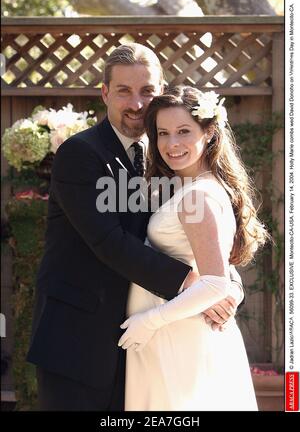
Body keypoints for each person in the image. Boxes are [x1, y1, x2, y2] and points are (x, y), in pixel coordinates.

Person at [27, 44, 244, 411]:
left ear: (160, 92)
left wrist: (227, 283)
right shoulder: (81, 154)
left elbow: (190, 237)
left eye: (147, 91)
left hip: (145, 338)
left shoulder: (166, 156)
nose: (137, 103)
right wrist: (200, 285)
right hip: (79, 337)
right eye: (124, 91)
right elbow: (108, 241)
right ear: (105, 93)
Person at [119, 86, 269, 411]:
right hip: (174, 333)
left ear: (209, 132)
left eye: (184, 131)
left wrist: (152, 320)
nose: (172, 144)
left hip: (176, 334)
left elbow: (215, 283)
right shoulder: (192, 188)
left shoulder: (196, 196)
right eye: (163, 133)